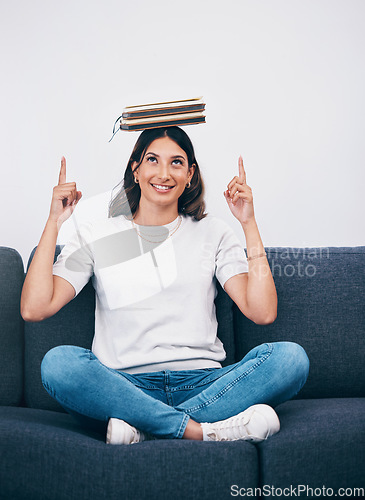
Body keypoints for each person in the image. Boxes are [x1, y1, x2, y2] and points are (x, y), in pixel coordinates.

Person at [21, 126, 309, 445]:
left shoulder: (212, 233)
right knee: (58, 364)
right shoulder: (97, 235)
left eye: (176, 163)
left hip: (205, 383)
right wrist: (53, 222)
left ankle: (145, 427)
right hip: (124, 386)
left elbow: (262, 311)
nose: (164, 172)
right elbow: (35, 307)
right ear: (136, 169)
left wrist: (248, 223)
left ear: (190, 174)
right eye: (153, 160)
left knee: (290, 359)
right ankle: (198, 431)